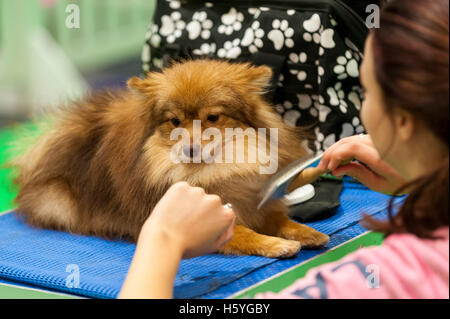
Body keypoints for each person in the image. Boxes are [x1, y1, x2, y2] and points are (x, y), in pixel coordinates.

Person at [119, 0, 449, 299]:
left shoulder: (376, 281)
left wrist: (162, 239)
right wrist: (421, 180)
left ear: (403, 120)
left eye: (365, 90)